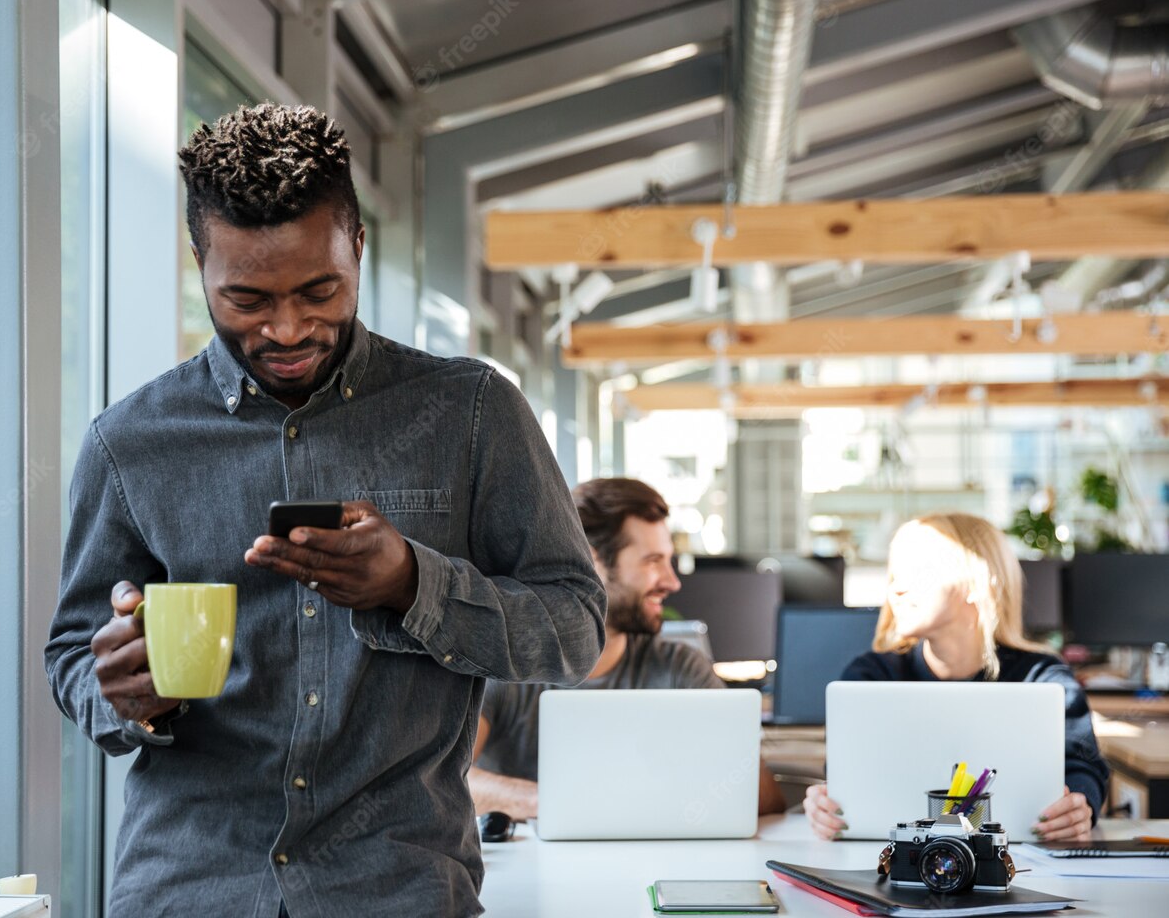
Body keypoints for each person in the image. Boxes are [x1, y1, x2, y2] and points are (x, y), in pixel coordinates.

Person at [45, 103, 606, 918]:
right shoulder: (129, 442)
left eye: (320, 290)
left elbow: (576, 633)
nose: (286, 328)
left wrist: (416, 583)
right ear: (198, 261)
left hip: (399, 891)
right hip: (188, 891)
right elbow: (72, 650)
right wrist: (118, 691)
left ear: (359, 249)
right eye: (245, 298)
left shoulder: (472, 412)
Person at [470, 477, 786, 819]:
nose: (672, 581)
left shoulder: (680, 666)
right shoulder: (509, 664)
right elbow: (449, 780)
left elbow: (763, 799)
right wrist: (563, 802)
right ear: (591, 564)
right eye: (653, 560)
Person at [804, 512, 1110, 843]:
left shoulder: (1043, 678)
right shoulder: (869, 678)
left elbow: (1084, 767)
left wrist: (1081, 806)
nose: (897, 590)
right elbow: (844, 776)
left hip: (1023, 860)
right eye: (893, 576)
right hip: (885, 857)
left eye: (917, 574)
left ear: (976, 583)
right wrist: (824, 804)